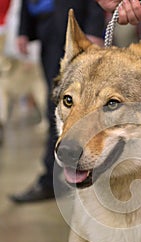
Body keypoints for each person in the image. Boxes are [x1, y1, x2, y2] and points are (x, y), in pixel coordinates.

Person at [10, 0, 105, 203]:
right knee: (57, 102)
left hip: (74, 29)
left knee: (70, 103)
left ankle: (52, 181)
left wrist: (94, 29)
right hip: (45, 26)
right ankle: (56, 179)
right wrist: (23, 30)